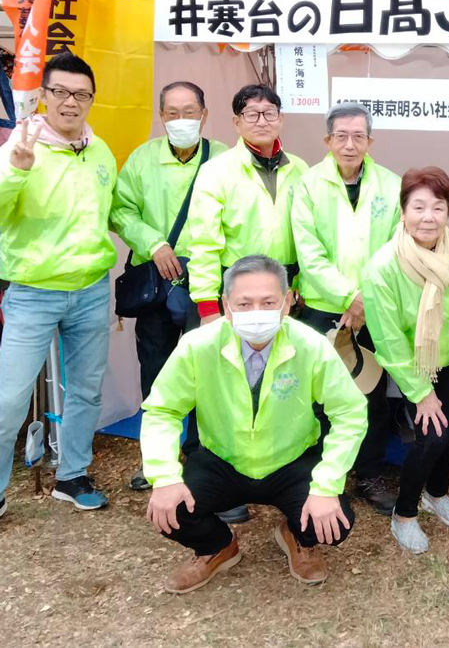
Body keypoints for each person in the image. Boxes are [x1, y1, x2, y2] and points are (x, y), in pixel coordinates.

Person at [141, 255, 367, 593]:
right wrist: (163, 476)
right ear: (226, 306)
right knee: (169, 510)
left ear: (288, 303)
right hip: (222, 460)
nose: (257, 313)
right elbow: (162, 410)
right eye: (244, 303)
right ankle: (216, 546)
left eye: (269, 302)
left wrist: (326, 484)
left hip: (290, 460)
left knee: (335, 522)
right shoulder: (197, 345)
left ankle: (296, 535)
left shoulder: (311, 345)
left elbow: (349, 412)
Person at [186, 83, 309, 523]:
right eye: (251, 113)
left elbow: (310, 237)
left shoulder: (301, 169)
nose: (262, 119)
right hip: (235, 300)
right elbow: (202, 243)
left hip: (285, 297)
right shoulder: (218, 171)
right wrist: (207, 309)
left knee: (282, 387)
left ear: (281, 118)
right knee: (226, 393)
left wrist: (302, 293)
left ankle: (283, 480)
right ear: (235, 122)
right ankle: (227, 483)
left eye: (270, 111)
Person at [0, 53, 116, 515]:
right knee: (10, 396)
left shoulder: (100, 148)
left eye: (81, 94)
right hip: (33, 291)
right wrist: (19, 169)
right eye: (61, 92)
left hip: (90, 288)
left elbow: (114, 209)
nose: (71, 102)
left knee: (87, 389)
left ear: (91, 99)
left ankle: (72, 474)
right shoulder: (19, 147)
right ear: (44, 95)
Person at [111, 81, 227, 491]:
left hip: (207, 283)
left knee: (208, 371)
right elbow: (120, 211)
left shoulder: (224, 159)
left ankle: (202, 456)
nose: (181, 120)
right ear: (161, 117)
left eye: (189, 111)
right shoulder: (143, 159)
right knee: (157, 373)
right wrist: (153, 243)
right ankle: (156, 459)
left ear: (204, 114)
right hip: (157, 282)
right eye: (172, 113)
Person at [292, 103, 400, 515]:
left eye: (359, 136)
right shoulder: (308, 185)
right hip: (323, 307)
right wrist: (346, 297)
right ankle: (323, 478)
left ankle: (370, 474)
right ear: (328, 140)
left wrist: (365, 300)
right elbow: (308, 251)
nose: (350, 144)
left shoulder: (390, 185)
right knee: (320, 395)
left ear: (371, 141)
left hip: (374, 309)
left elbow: (394, 249)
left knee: (370, 392)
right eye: (342, 136)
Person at [362, 167, 449, 553]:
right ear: (403, 210)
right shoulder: (383, 267)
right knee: (431, 439)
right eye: (419, 207)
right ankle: (404, 513)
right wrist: (421, 392)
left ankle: (436, 494)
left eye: (438, 208)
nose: (428, 217)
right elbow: (389, 340)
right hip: (414, 365)